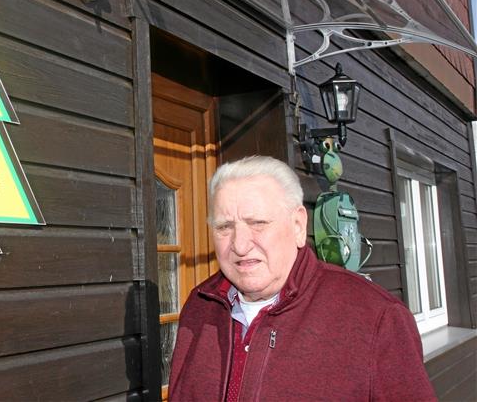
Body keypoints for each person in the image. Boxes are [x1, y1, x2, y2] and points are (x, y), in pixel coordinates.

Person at [168, 156, 435, 401]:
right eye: (224, 227)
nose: (239, 244)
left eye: (257, 223)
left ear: (297, 226)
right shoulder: (200, 306)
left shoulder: (376, 317)